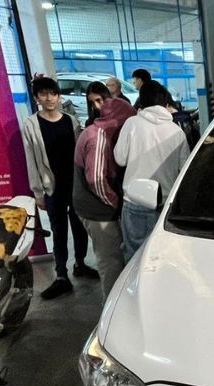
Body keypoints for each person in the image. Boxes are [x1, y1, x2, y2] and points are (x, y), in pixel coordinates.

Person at [21, 76, 97, 300]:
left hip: (74, 184)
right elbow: (31, 159)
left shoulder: (70, 121)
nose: (49, 98)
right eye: (43, 94)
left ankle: (80, 263)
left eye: (53, 93)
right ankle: (61, 274)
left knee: (79, 227)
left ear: (59, 96)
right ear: (36, 98)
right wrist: (37, 192)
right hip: (51, 187)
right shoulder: (31, 125)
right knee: (59, 230)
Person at [113, 88, 189, 263]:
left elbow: (120, 159)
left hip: (135, 202)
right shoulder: (176, 131)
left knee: (135, 261)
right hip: (165, 206)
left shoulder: (132, 124)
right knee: (163, 260)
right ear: (166, 104)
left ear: (141, 104)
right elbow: (184, 169)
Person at [74, 96, 136, 295]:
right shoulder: (97, 138)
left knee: (111, 259)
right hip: (97, 211)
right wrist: (116, 204)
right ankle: (111, 307)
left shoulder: (96, 131)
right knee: (111, 261)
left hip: (93, 207)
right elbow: (96, 180)